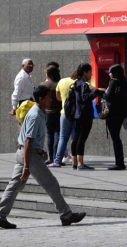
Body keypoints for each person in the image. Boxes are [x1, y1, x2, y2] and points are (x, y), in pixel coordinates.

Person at [0, 85, 86, 229]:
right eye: (48, 97)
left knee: (14, 185)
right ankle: (66, 214)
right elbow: (28, 141)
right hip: (30, 155)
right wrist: (27, 166)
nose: (51, 100)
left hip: (24, 153)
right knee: (51, 183)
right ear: (41, 99)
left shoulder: (38, 112)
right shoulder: (35, 115)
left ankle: (1, 215)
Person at [72, 63, 104, 170]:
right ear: (85, 72)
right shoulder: (84, 84)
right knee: (81, 139)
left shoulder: (76, 83)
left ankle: (75, 163)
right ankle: (81, 164)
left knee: (76, 139)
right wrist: (96, 91)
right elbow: (85, 97)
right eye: (90, 72)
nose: (91, 74)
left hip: (77, 114)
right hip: (84, 115)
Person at [50, 71, 78, 168]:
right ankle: (76, 161)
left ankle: (57, 161)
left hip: (64, 113)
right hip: (76, 115)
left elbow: (58, 97)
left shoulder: (62, 81)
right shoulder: (81, 83)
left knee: (63, 138)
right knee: (75, 138)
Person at [104, 64, 127, 170]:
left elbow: (108, 96)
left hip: (113, 113)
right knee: (116, 137)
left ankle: (119, 163)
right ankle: (120, 161)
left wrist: (103, 92)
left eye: (110, 72)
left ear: (114, 73)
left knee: (115, 138)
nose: (109, 74)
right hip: (121, 113)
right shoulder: (124, 82)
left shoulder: (113, 82)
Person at [42, 65, 62, 165]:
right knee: (58, 135)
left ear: (49, 74)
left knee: (50, 135)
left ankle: (51, 157)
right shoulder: (59, 84)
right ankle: (57, 157)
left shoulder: (44, 85)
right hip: (59, 112)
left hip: (48, 113)